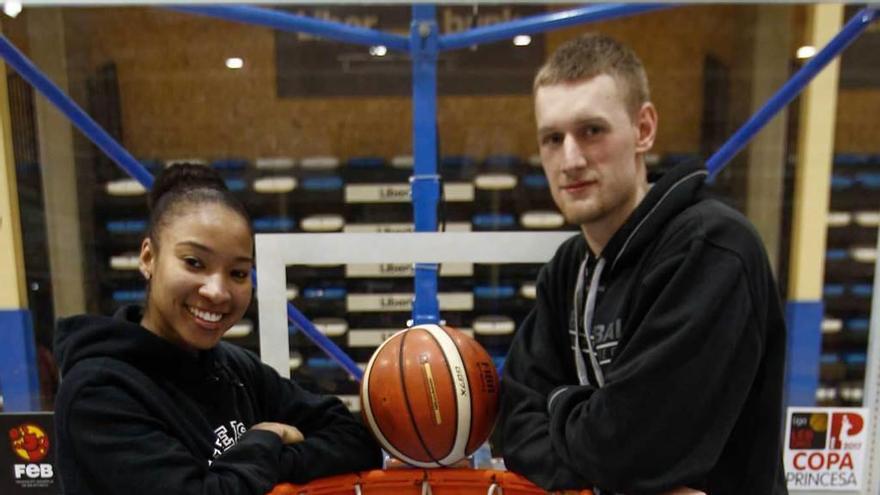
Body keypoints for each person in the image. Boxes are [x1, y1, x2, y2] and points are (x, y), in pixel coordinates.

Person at [498, 33, 788, 494]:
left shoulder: (712, 252)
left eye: (592, 130)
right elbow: (513, 425)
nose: (570, 159)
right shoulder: (567, 270)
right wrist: (594, 425)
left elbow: (627, 448)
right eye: (552, 138)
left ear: (644, 129)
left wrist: (558, 404)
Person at [54, 164, 382, 495]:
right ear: (148, 257)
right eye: (194, 263)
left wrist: (270, 460)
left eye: (238, 273)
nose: (217, 291)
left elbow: (354, 440)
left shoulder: (236, 368)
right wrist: (265, 439)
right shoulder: (98, 393)